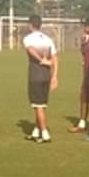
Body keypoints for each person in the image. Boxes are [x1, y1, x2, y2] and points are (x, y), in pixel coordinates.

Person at [23, 14, 59, 144]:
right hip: (46, 76)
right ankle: (36, 131)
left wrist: (42, 60)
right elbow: (55, 58)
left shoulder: (28, 38)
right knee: (42, 105)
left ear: (31, 25)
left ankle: (45, 133)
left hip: (35, 76)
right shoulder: (48, 39)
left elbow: (30, 50)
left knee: (38, 106)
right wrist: (55, 76)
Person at [69, 18, 89, 134]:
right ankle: (82, 124)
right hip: (86, 74)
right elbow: (84, 53)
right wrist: (83, 44)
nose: (84, 29)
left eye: (85, 26)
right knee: (83, 98)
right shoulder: (88, 40)